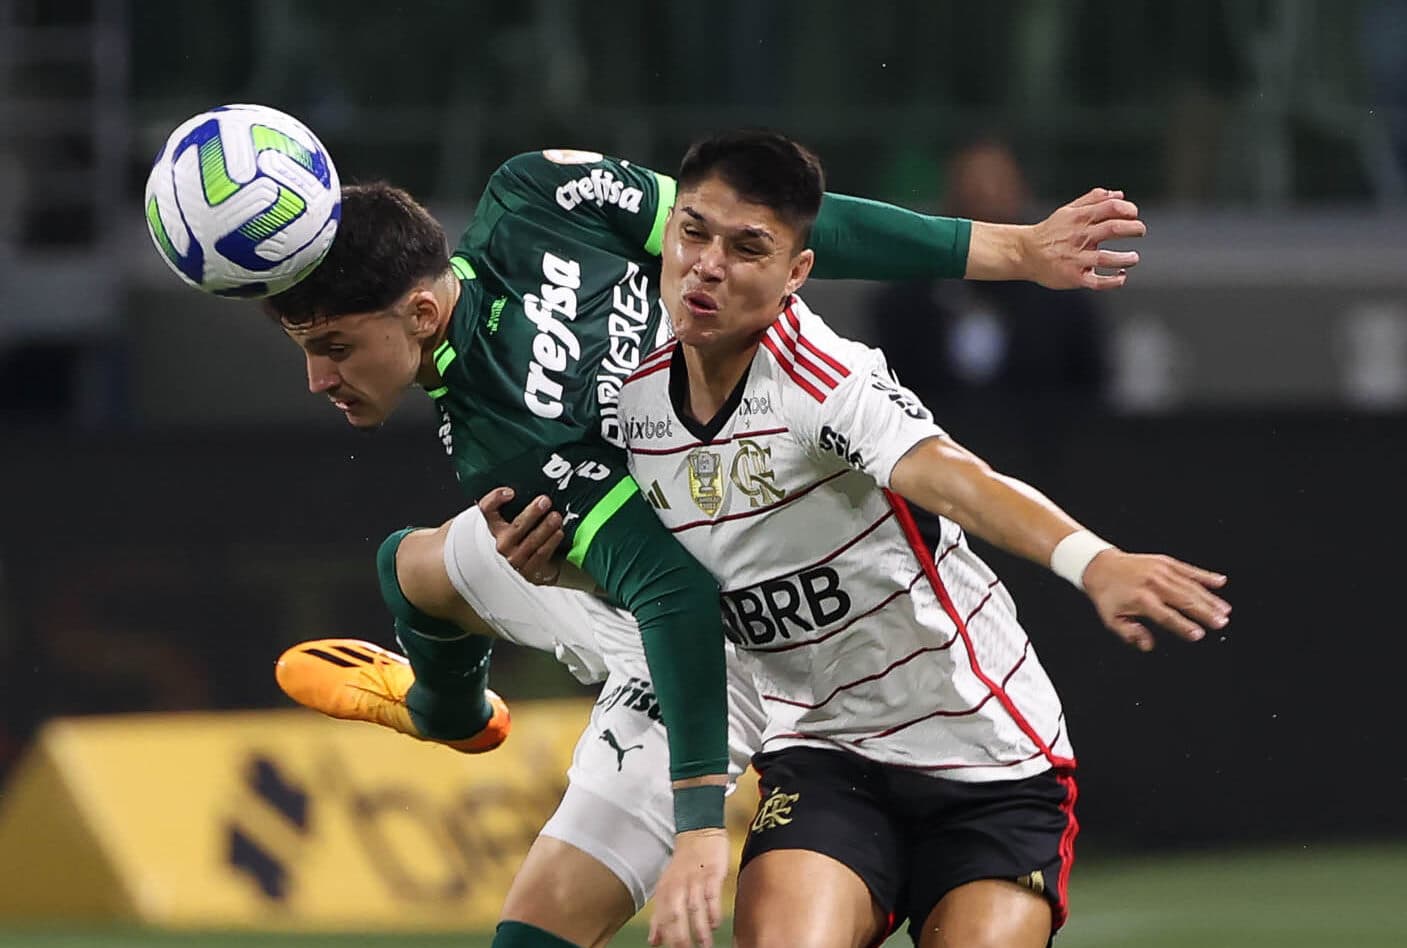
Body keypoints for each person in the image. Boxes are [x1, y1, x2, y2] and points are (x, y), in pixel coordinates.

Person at [264, 142, 1148, 948]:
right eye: (305, 345)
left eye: (333, 346)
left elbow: (773, 222)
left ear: (420, 310)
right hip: (647, 572)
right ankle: (446, 713)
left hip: (705, 634)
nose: (315, 379)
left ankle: (456, 707)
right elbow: (663, 580)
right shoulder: (527, 441)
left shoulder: (546, 203)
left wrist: (1015, 251)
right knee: (413, 567)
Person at [595, 131, 1228, 948]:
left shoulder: (823, 382)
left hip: (985, 757)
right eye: (692, 233)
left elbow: (959, 479)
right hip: (825, 752)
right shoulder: (628, 394)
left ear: (796, 273)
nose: (707, 266)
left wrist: (1091, 559)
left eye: (747, 248)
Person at [869, 137, 1109, 418]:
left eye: (997, 184)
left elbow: (1091, 390)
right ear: (951, 194)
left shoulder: (1062, 298)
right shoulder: (907, 298)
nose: (986, 196)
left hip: (1038, 438)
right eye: (973, 187)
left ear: (1020, 191)